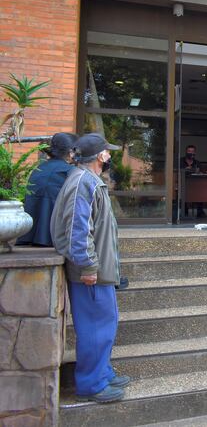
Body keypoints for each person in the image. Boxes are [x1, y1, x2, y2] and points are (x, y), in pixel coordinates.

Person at [50, 133, 129, 403]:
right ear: (100, 156)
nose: (110, 156)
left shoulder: (88, 180)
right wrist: (88, 266)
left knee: (104, 325)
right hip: (90, 274)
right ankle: (92, 383)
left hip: (99, 271)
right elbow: (78, 229)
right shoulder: (84, 182)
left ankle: (102, 373)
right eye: (107, 152)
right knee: (96, 328)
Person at [17, 132, 78, 246]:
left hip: (27, 235)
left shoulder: (39, 168)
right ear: (70, 153)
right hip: (51, 239)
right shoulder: (69, 171)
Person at [180, 144, 205, 218]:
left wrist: (198, 172)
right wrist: (185, 169)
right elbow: (176, 172)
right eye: (189, 151)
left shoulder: (197, 163)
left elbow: (201, 173)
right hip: (182, 184)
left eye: (192, 151)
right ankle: (184, 212)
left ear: (195, 153)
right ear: (186, 152)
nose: (191, 153)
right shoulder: (181, 161)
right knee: (182, 193)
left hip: (195, 185)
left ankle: (200, 212)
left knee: (200, 192)